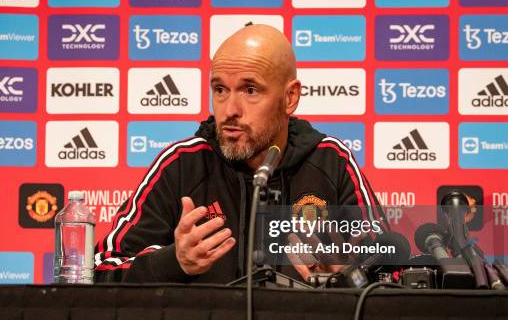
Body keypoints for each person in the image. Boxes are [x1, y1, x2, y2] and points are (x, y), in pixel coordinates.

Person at [95, 24, 386, 284]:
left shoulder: (331, 161)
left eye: (250, 90)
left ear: (290, 98)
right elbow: (102, 271)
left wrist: (348, 277)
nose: (230, 109)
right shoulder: (181, 164)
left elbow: (391, 272)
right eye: (220, 89)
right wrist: (174, 262)